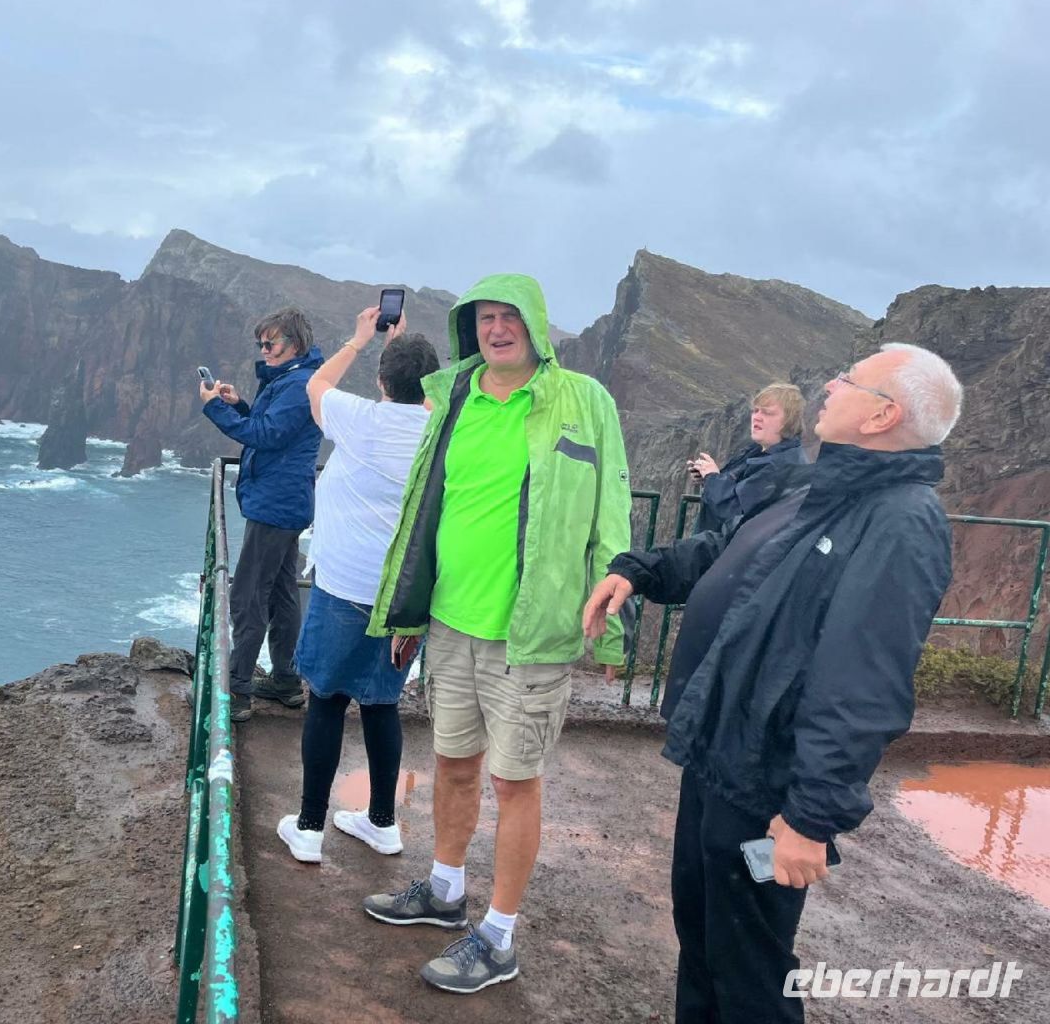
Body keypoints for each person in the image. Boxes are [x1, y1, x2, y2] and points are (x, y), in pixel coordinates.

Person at [583, 342, 963, 1024]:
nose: (829, 388)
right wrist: (639, 569)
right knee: (701, 934)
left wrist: (811, 818)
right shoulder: (818, 487)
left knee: (751, 969)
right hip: (716, 757)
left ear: (881, 415)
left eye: (848, 381)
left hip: (768, 788)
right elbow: (724, 549)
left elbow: (864, 685)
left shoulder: (902, 522)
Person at [360, 275, 633, 995]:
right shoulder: (453, 395)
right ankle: (445, 892)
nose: (497, 328)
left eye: (511, 316)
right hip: (450, 625)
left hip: (530, 636)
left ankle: (499, 937)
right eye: (485, 317)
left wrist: (609, 632)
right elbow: (426, 505)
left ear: (536, 325)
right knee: (452, 764)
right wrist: (408, 612)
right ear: (469, 327)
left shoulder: (585, 403)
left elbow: (611, 518)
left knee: (515, 782)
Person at [273, 305, 441, 864]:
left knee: (325, 701)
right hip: (406, 599)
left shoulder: (361, 418)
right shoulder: (441, 434)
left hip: (344, 589)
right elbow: (434, 400)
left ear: (380, 382)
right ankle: (382, 823)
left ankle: (310, 829)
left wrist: (360, 338)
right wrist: (402, 346)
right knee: (380, 705)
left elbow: (316, 384)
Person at [200, 307, 324, 723]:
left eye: (270, 344)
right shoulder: (294, 380)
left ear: (295, 345)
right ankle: (286, 681)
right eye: (262, 344)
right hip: (285, 502)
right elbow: (273, 427)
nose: (264, 351)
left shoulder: (299, 384)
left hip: (275, 505)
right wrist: (240, 405)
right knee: (282, 591)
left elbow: (267, 436)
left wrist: (216, 410)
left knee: (247, 594)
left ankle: (236, 693)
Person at [688, 383, 807, 535]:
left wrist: (713, 478)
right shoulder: (757, 451)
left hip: (726, 553)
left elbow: (732, 511)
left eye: (767, 413)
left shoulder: (781, 466)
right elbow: (733, 490)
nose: (756, 417)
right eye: (755, 411)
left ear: (789, 420)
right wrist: (706, 476)